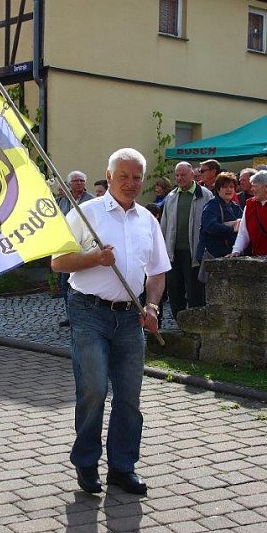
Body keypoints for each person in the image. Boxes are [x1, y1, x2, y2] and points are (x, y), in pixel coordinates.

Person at [51, 147, 170, 496]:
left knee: (130, 396)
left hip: (131, 318)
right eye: (124, 176)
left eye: (137, 177)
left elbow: (158, 271)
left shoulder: (147, 219)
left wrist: (152, 306)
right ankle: (86, 461)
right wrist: (94, 258)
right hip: (89, 312)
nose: (131, 183)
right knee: (94, 388)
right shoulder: (86, 213)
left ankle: (122, 467)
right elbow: (58, 262)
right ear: (109, 174)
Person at [160, 161, 213, 316]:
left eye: (183, 175)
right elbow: (164, 224)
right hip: (173, 253)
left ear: (192, 175)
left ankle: (196, 323)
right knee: (174, 290)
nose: (179, 178)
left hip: (194, 253)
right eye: (177, 175)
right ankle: (179, 322)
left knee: (195, 291)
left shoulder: (204, 195)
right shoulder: (171, 196)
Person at [56, 170, 95, 327]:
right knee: (65, 284)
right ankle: (71, 315)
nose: (79, 184)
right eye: (76, 181)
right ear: (69, 184)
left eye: (82, 181)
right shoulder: (63, 201)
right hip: (67, 247)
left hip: (85, 247)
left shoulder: (91, 201)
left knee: (85, 283)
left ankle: (88, 316)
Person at [196, 172, 243, 261]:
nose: (228, 190)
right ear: (218, 189)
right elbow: (210, 226)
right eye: (224, 187)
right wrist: (232, 228)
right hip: (212, 256)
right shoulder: (212, 206)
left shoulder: (235, 207)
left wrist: (235, 223)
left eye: (231, 187)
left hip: (229, 255)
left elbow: (243, 223)